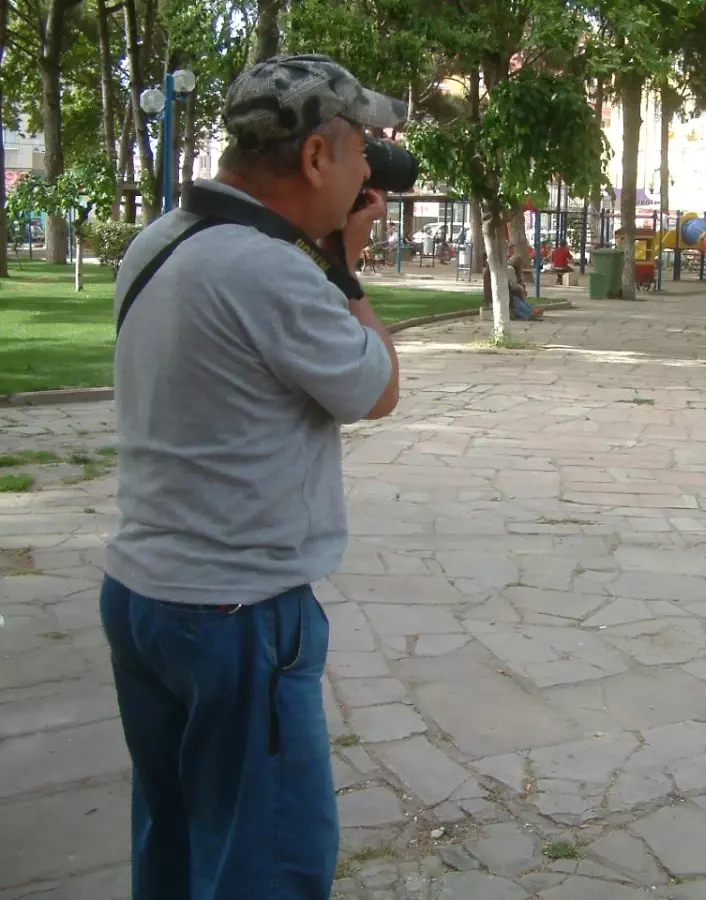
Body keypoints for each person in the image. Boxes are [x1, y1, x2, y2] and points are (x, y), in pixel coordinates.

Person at [99, 54, 403, 898]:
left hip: (143, 594)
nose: (367, 170)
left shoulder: (160, 240)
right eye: (360, 150)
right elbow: (376, 387)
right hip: (235, 613)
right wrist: (345, 265)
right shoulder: (267, 270)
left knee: (177, 839)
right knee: (267, 863)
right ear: (314, 158)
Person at [507, 255, 543, 320]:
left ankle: (531, 311)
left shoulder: (515, 272)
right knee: (516, 300)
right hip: (509, 294)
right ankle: (529, 313)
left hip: (512, 293)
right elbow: (512, 285)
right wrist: (521, 288)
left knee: (519, 299)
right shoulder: (510, 270)